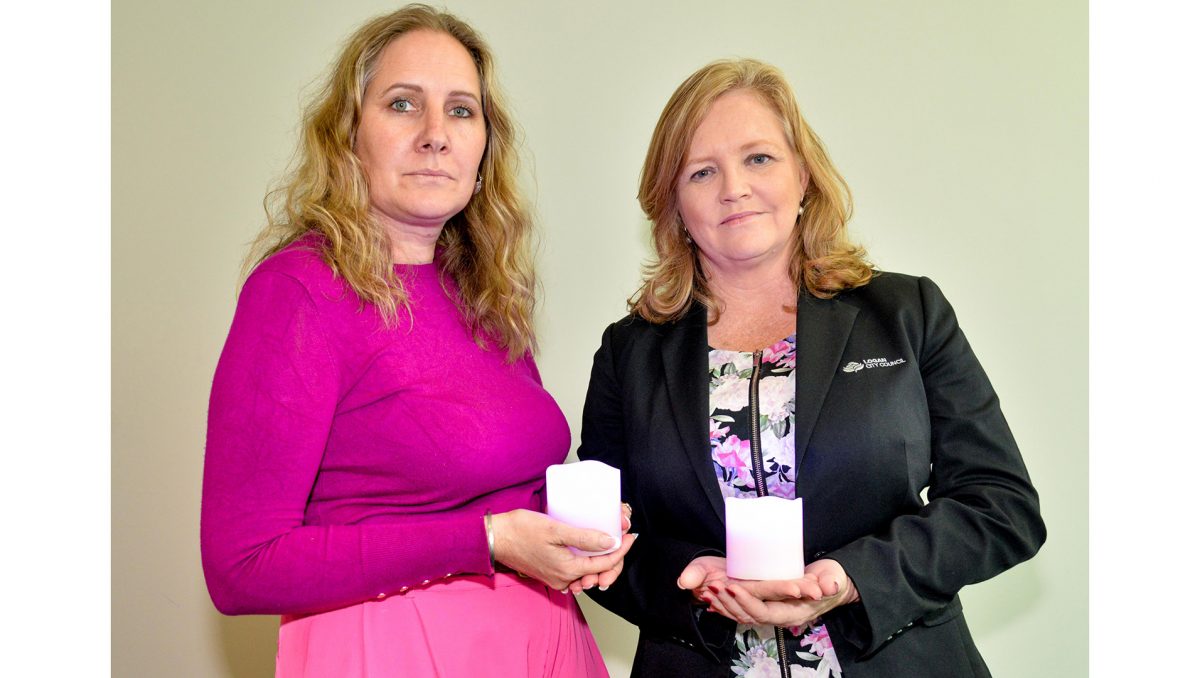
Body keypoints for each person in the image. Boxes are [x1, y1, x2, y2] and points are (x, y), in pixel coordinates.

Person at [200, 5, 632, 677]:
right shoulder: (297, 292)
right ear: (348, 136)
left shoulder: (484, 289)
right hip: (391, 650)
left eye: (461, 111)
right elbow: (241, 567)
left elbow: (495, 491)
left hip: (540, 643)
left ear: (485, 148)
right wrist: (486, 541)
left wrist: (571, 527)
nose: (436, 134)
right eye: (403, 104)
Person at [578, 58, 1046, 678]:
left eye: (759, 159)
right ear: (673, 204)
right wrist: (691, 582)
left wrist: (853, 579)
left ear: (804, 175)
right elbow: (600, 543)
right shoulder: (629, 353)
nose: (733, 188)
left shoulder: (907, 313)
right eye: (701, 171)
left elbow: (1001, 505)